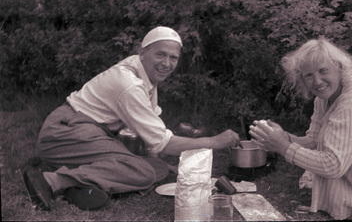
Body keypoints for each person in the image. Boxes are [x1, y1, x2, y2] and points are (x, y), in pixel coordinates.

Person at [23, 26, 241, 211]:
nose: (166, 63)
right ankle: (51, 181)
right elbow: (163, 143)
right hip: (64, 134)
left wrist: (159, 160)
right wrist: (214, 142)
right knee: (144, 172)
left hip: (82, 134)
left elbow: (150, 138)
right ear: (142, 52)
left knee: (158, 168)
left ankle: (80, 187)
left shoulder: (144, 75)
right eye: (160, 54)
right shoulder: (129, 84)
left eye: (173, 57)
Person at [249, 37, 352, 220]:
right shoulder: (323, 99)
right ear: (302, 79)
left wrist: (282, 147)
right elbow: (313, 141)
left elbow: (333, 165)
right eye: (309, 75)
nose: (317, 81)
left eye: (323, 71)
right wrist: (282, 137)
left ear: (339, 68)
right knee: (340, 139)